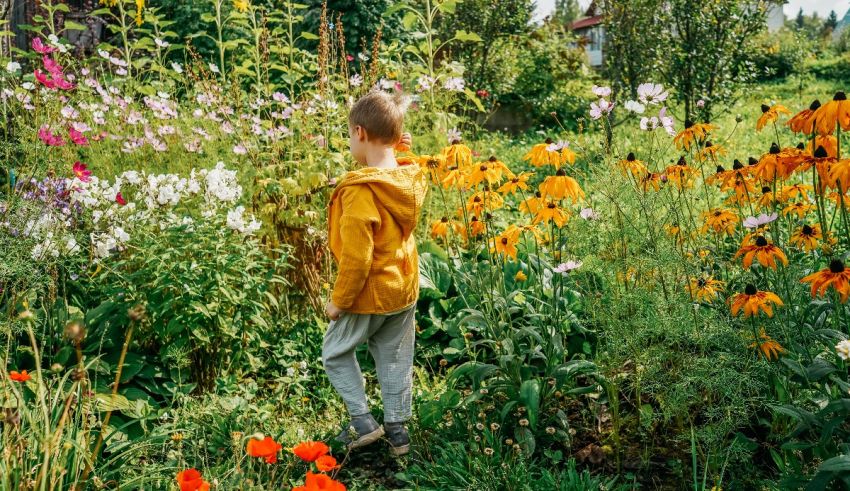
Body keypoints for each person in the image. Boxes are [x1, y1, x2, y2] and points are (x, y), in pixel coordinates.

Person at [323, 90, 427, 457]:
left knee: (334, 353)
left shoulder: (359, 193)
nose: (351, 140)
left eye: (350, 134)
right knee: (396, 356)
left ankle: (362, 422)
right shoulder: (408, 179)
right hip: (403, 288)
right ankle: (398, 432)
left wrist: (339, 302)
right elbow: (394, 167)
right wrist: (402, 151)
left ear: (361, 133)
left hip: (369, 292)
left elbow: (357, 258)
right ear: (398, 141)